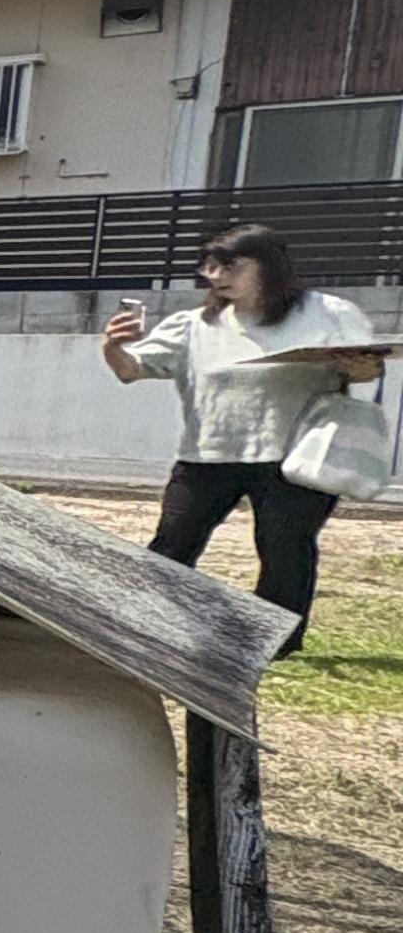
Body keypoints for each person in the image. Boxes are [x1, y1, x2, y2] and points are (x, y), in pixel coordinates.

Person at [101, 224, 383, 648]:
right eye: (209, 267)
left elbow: (367, 370)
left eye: (230, 266)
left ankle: (275, 643)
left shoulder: (328, 313)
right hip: (207, 455)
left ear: (268, 266)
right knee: (173, 543)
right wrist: (113, 346)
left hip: (295, 455)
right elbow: (130, 369)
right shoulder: (193, 325)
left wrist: (359, 366)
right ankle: (152, 625)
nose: (216, 276)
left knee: (284, 548)